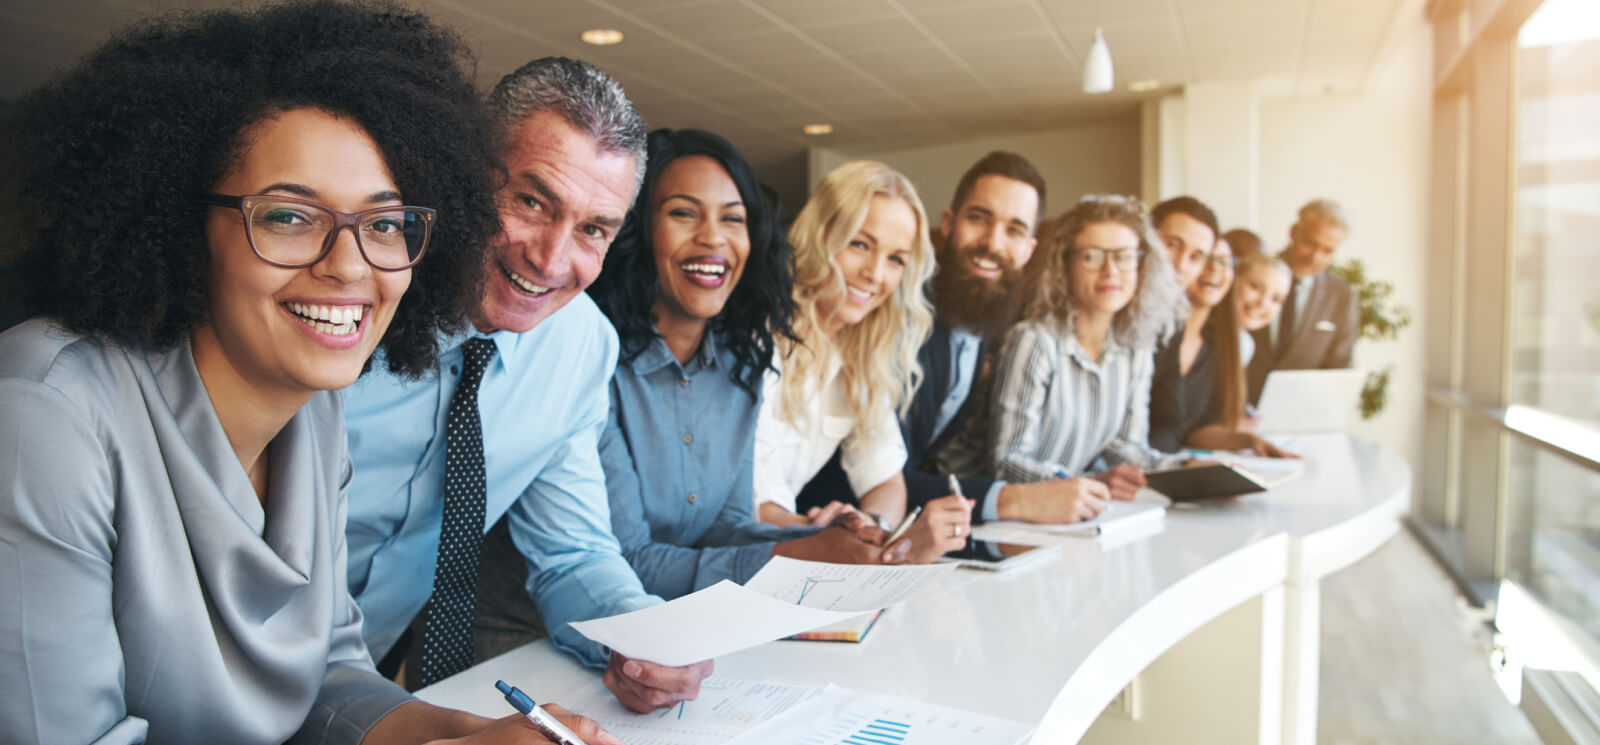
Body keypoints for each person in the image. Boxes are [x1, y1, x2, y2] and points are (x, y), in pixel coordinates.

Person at [0, 4, 617, 744]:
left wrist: (470, 733)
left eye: (384, 223)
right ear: (178, 218)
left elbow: (323, 671)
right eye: (290, 217)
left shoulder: (313, 412)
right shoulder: (45, 412)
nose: (350, 266)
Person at [342, 57, 710, 713]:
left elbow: (571, 553)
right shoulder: (349, 299)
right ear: (465, 173)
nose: (550, 259)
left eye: (593, 229)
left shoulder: (580, 346)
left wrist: (641, 635)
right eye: (533, 202)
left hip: (355, 689)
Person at [587, 129, 906, 599]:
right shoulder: (597, 364)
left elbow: (729, 526)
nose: (713, 237)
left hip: (679, 623)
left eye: (732, 219)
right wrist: (792, 556)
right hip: (549, 638)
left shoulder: (741, 364)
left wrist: (842, 538)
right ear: (638, 228)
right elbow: (628, 560)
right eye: (682, 213)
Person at [797, 151, 1105, 525]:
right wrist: (1014, 500)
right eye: (979, 218)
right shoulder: (887, 316)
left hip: (878, 527)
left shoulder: (988, 319)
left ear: (1028, 250)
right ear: (948, 222)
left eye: (1014, 230)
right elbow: (886, 471)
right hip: (813, 521)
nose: (992, 243)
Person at [752, 161, 971, 561]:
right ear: (821, 235)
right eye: (860, 244)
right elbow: (746, 506)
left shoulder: (860, 354)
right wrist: (832, 531)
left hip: (788, 557)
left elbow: (887, 483)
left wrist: (874, 525)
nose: (875, 273)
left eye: (896, 259)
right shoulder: (756, 339)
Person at [940, 195, 1187, 495]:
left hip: (1066, 511)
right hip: (980, 511)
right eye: (1092, 256)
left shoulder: (1136, 348)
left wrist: (1185, 469)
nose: (1111, 271)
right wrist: (1081, 483)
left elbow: (1126, 448)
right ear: (1064, 264)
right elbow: (1007, 463)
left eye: (1124, 256)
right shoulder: (1033, 341)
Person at [1147, 238, 1293, 457]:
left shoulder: (1237, 345)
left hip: (1168, 460)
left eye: (1276, 299)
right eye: (1254, 287)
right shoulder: (1173, 330)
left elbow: (1192, 429)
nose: (1263, 303)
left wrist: (1249, 440)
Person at [1246, 198, 1359, 401]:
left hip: (1300, 411)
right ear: (1293, 232)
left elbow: (1338, 366)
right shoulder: (1251, 274)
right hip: (1237, 407)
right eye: (1310, 243)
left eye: (1327, 251)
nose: (1315, 257)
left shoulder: (1341, 295)